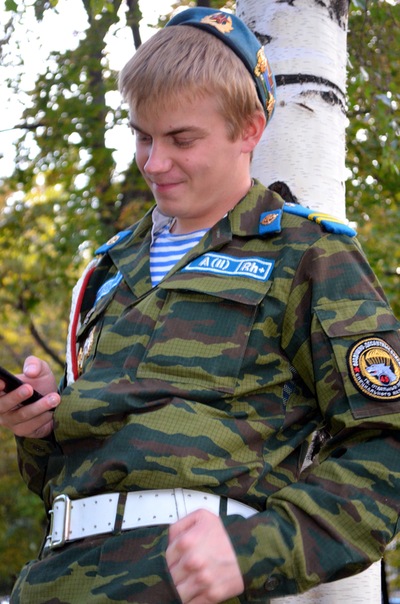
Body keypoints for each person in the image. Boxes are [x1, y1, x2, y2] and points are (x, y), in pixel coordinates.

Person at [1, 6, 400, 604]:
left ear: (250, 130)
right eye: (142, 136)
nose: (153, 162)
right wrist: (37, 428)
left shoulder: (307, 255)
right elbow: (63, 476)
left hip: (186, 588)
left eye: (181, 139)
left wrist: (256, 552)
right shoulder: (107, 270)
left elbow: (385, 442)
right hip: (52, 583)